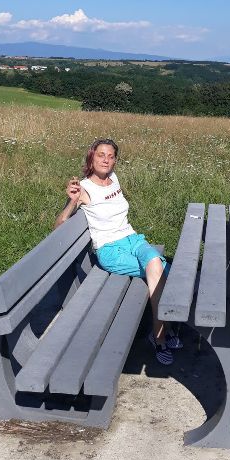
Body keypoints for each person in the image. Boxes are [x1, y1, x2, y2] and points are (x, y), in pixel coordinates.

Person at [54, 137, 182, 365]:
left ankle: (162, 331)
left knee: (163, 270)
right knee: (160, 270)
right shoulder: (84, 188)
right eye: (101, 155)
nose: (106, 160)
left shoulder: (113, 178)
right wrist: (72, 202)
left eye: (111, 156)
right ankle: (160, 336)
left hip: (132, 239)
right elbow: (59, 227)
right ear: (91, 158)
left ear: (115, 161)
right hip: (110, 250)